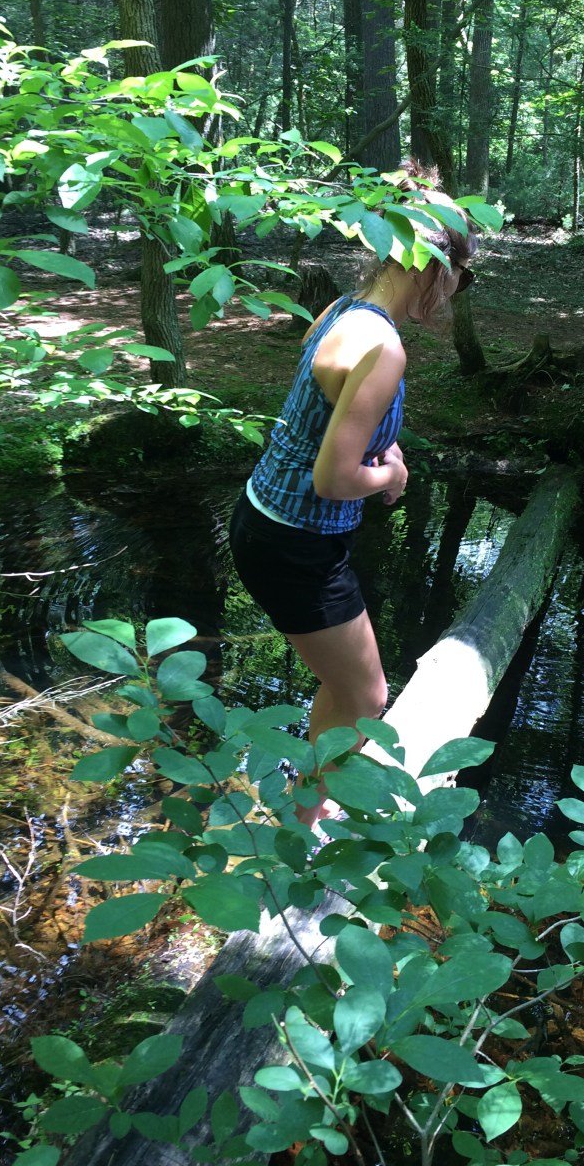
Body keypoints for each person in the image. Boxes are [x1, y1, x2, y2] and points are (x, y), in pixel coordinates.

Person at [228, 168, 477, 830]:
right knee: (367, 696)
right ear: (432, 266)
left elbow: (324, 422)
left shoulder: (342, 309)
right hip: (296, 542)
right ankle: (305, 825)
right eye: (460, 276)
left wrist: (380, 451)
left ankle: (309, 805)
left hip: (266, 518)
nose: (454, 292)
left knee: (344, 686)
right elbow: (333, 480)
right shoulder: (384, 346)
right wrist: (390, 479)